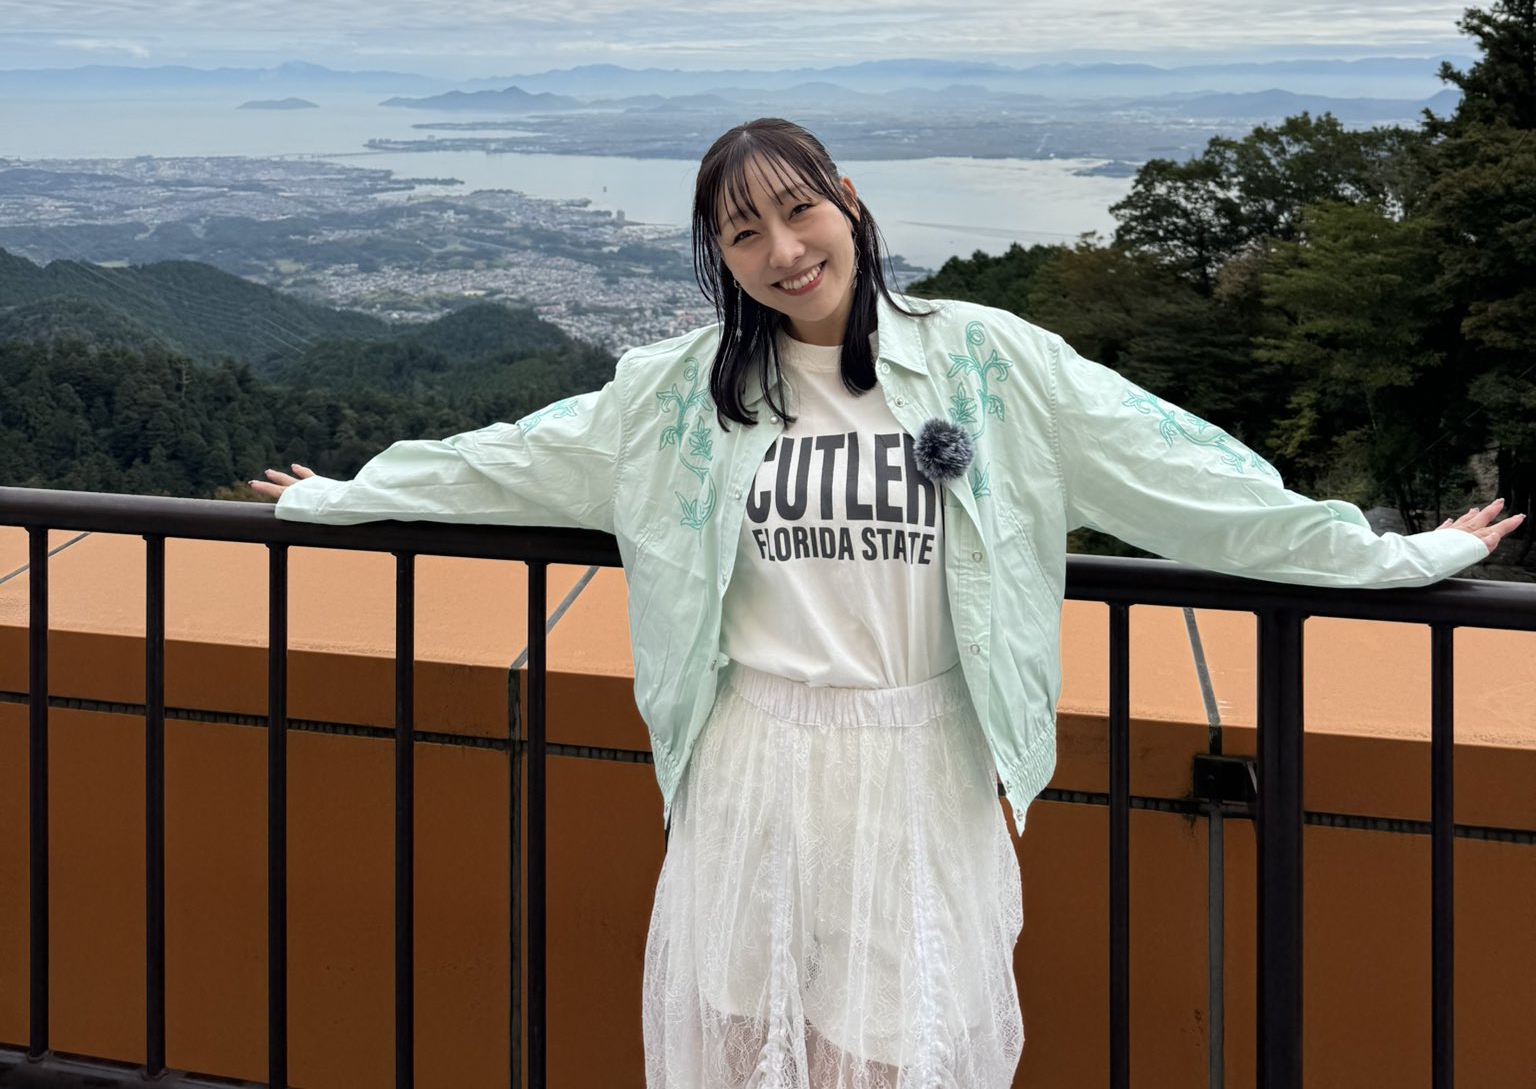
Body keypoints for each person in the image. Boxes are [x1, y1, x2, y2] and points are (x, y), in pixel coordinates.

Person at [249, 117, 1523, 1089]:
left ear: (849, 201)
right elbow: (513, 457)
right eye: (742, 234)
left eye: (798, 210)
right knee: (738, 1029)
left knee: (896, 1045)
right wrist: (346, 493)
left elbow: (1180, 475)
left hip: (920, 759)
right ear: (718, 258)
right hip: (749, 754)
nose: (781, 250)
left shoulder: (987, 361)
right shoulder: (678, 393)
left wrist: (1387, 552)